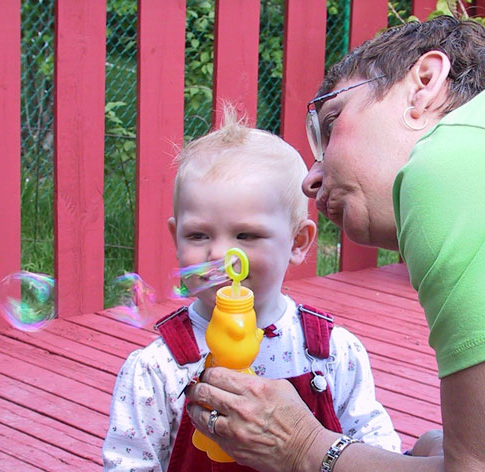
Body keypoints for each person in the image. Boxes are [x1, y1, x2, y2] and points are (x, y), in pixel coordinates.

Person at [184, 15, 485, 472]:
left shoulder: (464, 155)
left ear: (424, 83)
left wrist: (301, 446)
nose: (310, 179)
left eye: (331, 124)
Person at [102, 109, 404, 471]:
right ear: (175, 238)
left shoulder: (330, 352)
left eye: (246, 235)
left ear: (298, 242)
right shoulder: (160, 367)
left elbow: (373, 444)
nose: (220, 254)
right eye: (198, 235)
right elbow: (130, 463)